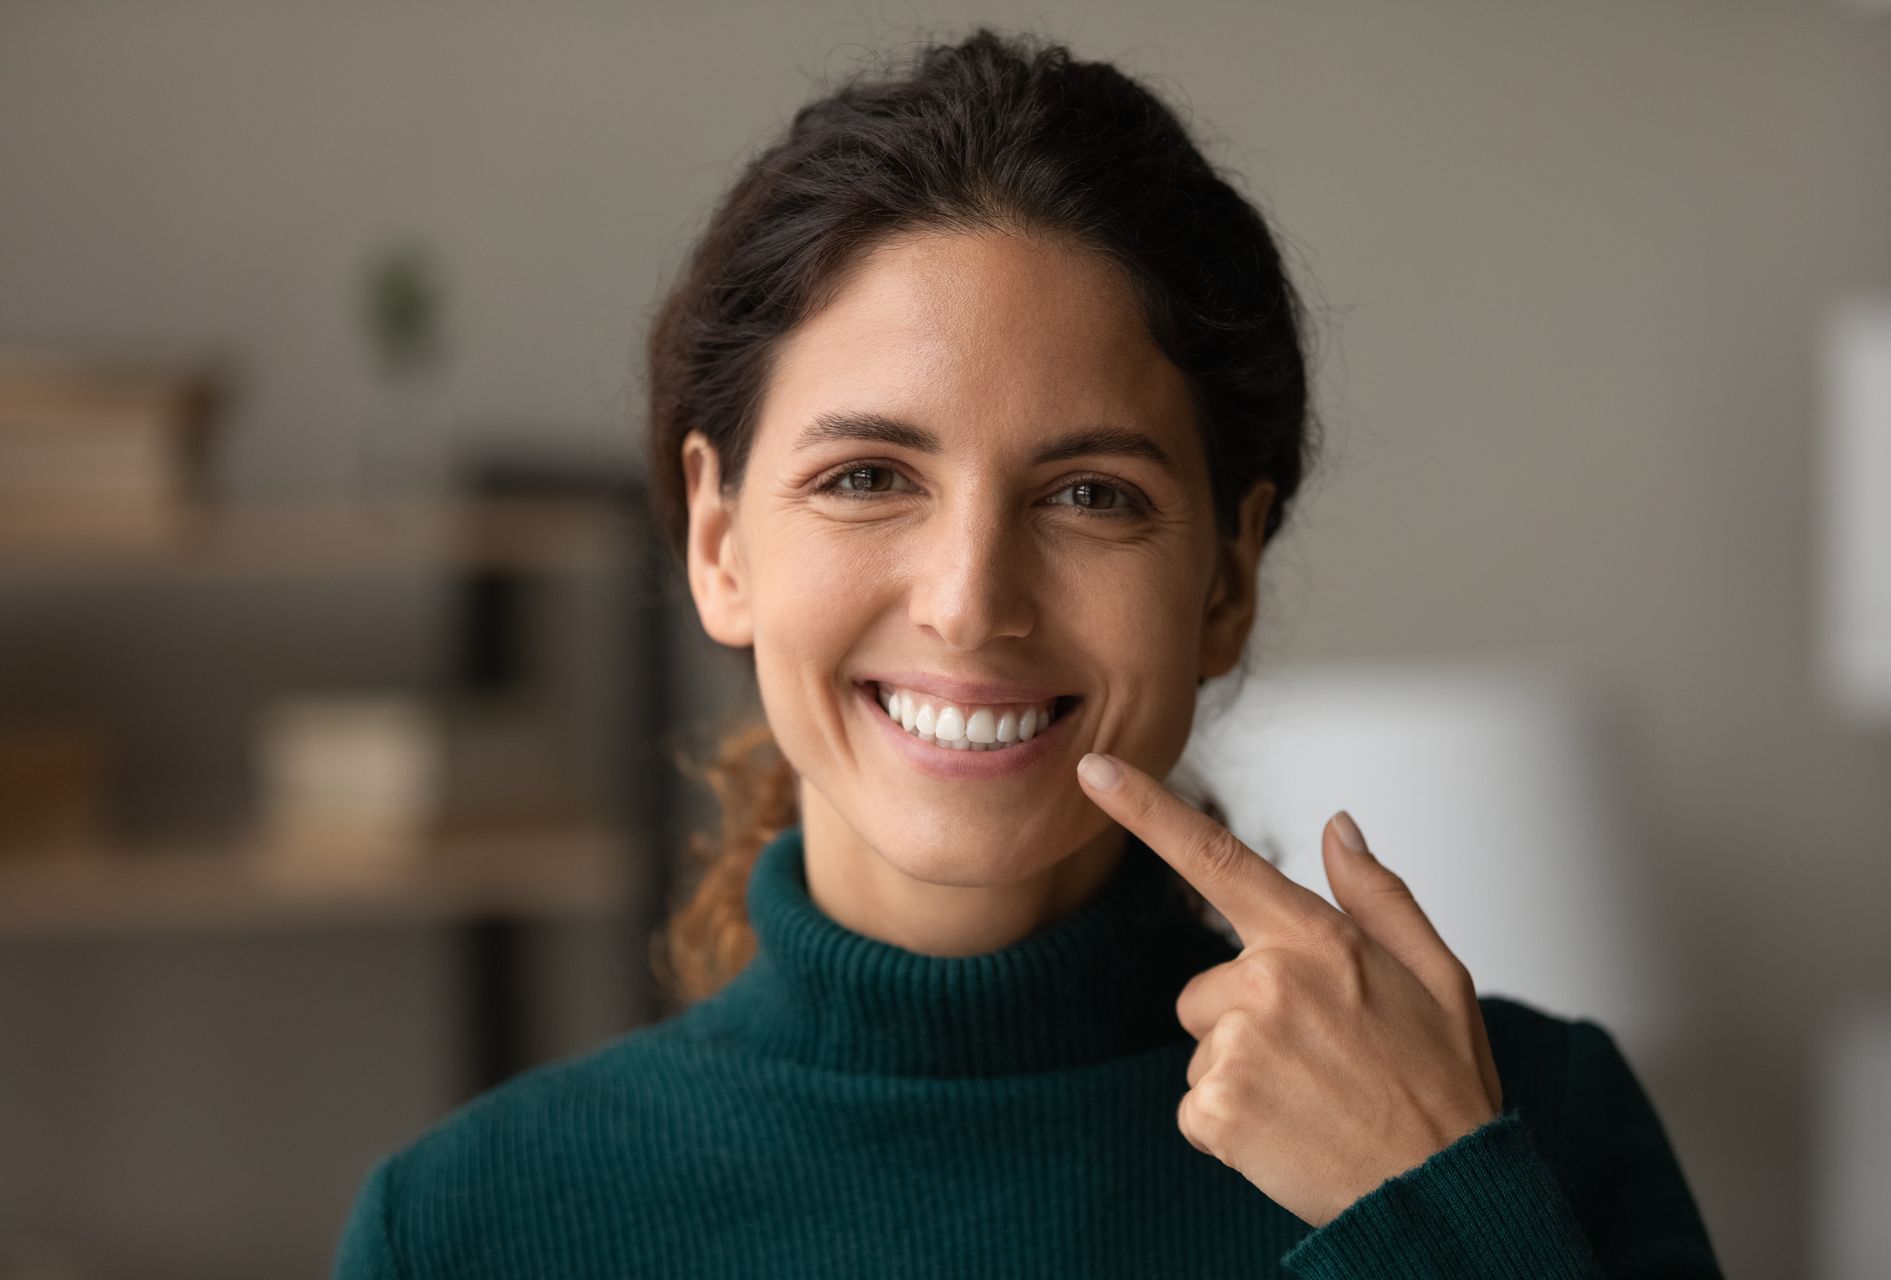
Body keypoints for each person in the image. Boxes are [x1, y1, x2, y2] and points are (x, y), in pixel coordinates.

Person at [329, 26, 1724, 1278]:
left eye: (1091, 495)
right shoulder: (467, 1229)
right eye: (869, 476)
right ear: (718, 541)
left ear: (1228, 576)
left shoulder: (1533, 1134)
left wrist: (1434, 1222)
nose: (969, 601)